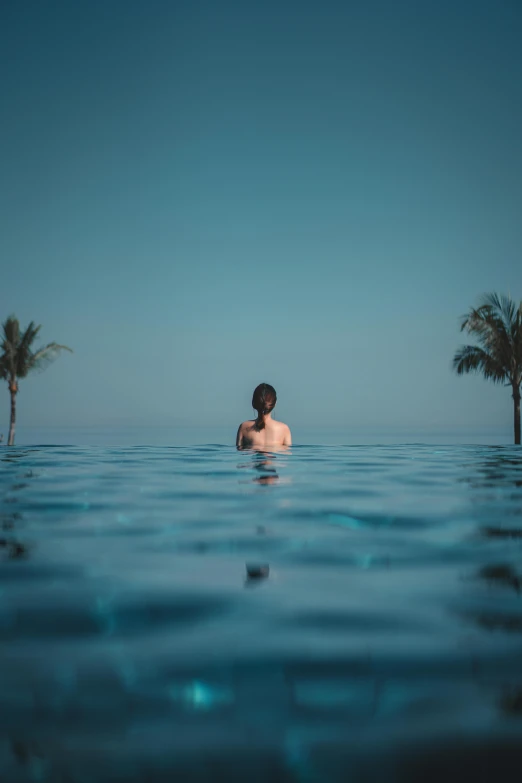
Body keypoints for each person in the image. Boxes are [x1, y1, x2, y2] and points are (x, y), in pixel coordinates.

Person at [236, 383, 292, 449]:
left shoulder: (244, 427)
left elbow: (239, 453)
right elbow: (287, 454)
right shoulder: (284, 429)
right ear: (274, 403)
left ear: (253, 403)